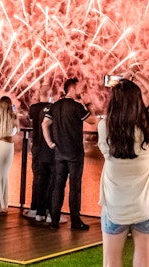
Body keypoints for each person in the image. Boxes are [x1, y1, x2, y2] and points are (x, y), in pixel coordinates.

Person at [98, 71, 149, 267]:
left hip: (115, 207)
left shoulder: (105, 127)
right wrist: (138, 75)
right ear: (138, 101)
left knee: (111, 262)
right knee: (144, 262)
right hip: (145, 207)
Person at [42, 77, 96, 231]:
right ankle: (75, 220)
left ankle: (54, 220)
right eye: (79, 88)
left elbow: (44, 124)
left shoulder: (55, 106)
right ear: (72, 88)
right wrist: (89, 105)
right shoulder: (76, 107)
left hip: (59, 153)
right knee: (74, 187)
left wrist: (50, 143)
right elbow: (93, 120)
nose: (82, 91)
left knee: (58, 186)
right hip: (75, 153)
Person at [24, 84, 56, 222]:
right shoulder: (53, 108)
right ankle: (49, 210)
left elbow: (31, 123)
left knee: (38, 179)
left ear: (38, 93)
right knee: (51, 181)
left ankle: (36, 209)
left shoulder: (33, 108)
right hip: (49, 149)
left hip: (36, 147)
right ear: (51, 94)